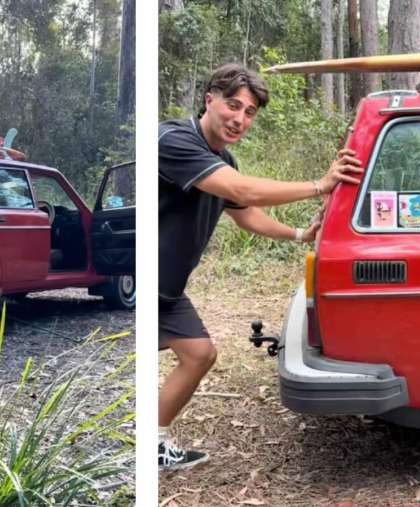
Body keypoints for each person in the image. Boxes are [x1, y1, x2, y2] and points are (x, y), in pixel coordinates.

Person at [158, 63, 363, 470]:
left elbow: (245, 211)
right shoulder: (171, 140)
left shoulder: (221, 156)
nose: (239, 119)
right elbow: (239, 188)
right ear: (209, 100)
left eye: (249, 112)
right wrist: (319, 185)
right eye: (233, 105)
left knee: (199, 354)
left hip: (168, 289)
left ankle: (152, 443)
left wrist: (300, 234)